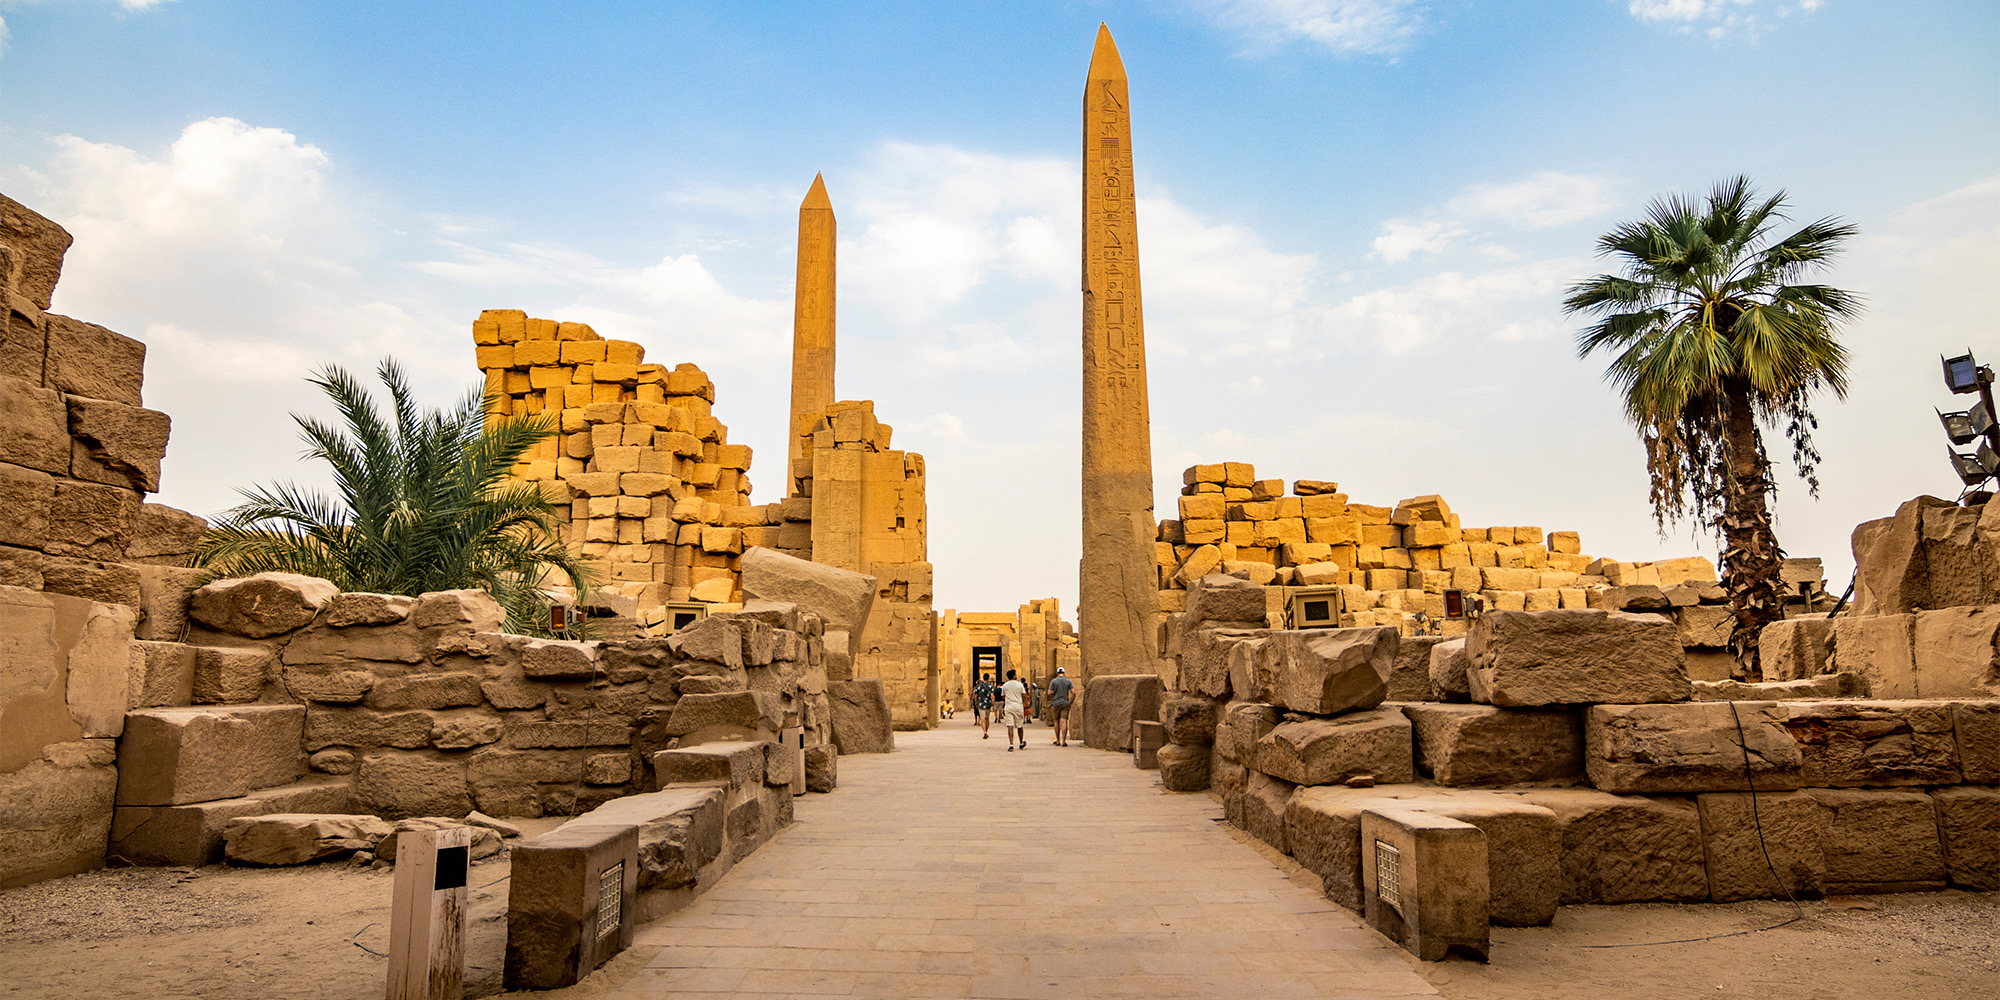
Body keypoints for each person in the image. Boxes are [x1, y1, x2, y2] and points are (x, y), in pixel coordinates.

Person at [1000, 669, 1029, 751]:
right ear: (1013, 676)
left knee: (1010, 726)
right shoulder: (1020, 685)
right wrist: (1026, 706)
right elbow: (1024, 696)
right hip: (1018, 706)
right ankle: (1020, 742)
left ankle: (1011, 744)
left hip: (1009, 706)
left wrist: (1007, 701)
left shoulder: (1005, 685)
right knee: (1020, 725)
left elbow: (1003, 696)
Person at [1047, 666, 1074, 746]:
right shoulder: (1068, 681)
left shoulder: (1053, 681)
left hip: (1056, 703)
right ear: (1064, 673)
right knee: (1064, 721)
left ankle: (1057, 740)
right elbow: (1073, 692)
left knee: (1056, 721)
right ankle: (1063, 741)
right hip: (1065, 703)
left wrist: (1054, 693)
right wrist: (1071, 701)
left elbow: (1049, 692)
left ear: (1057, 673)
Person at [972, 674, 997, 739]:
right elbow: (992, 696)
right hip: (988, 704)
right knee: (987, 718)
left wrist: (976, 703)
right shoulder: (990, 686)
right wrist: (994, 705)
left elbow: (975, 696)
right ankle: (986, 731)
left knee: (982, 719)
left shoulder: (979, 686)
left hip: (981, 704)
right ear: (988, 678)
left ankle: (984, 732)